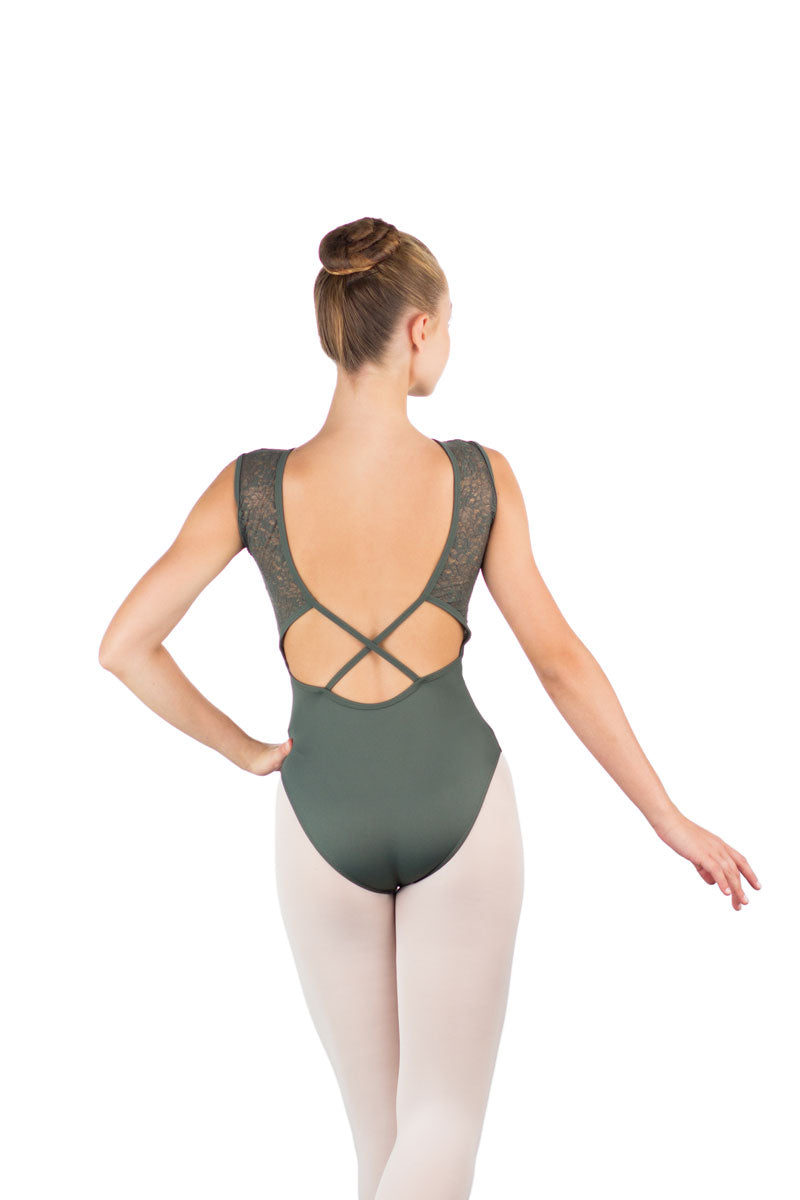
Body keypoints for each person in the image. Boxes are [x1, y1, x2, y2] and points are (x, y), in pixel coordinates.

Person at [98, 216, 761, 1199]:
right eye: (449, 323)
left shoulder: (252, 488)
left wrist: (243, 750)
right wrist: (667, 817)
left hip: (318, 816)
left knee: (384, 1146)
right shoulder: (477, 477)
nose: (450, 342)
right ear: (417, 330)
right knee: (441, 1125)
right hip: (459, 804)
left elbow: (124, 646)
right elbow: (560, 663)